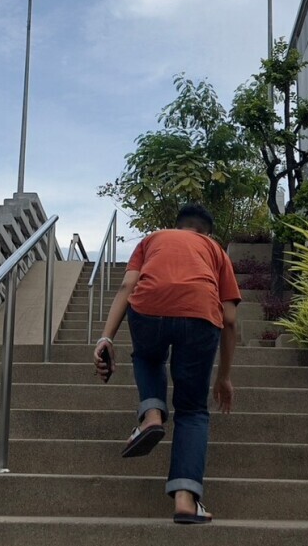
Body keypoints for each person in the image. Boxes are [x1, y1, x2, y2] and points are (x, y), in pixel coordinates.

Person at [94, 203, 241, 525]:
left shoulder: (152, 240)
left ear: (177, 226)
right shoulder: (215, 250)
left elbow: (127, 286)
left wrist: (106, 338)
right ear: (207, 233)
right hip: (201, 315)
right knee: (192, 410)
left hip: (148, 309)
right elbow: (229, 319)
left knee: (148, 356)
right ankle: (186, 500)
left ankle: (151, 415)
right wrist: (224, 377)